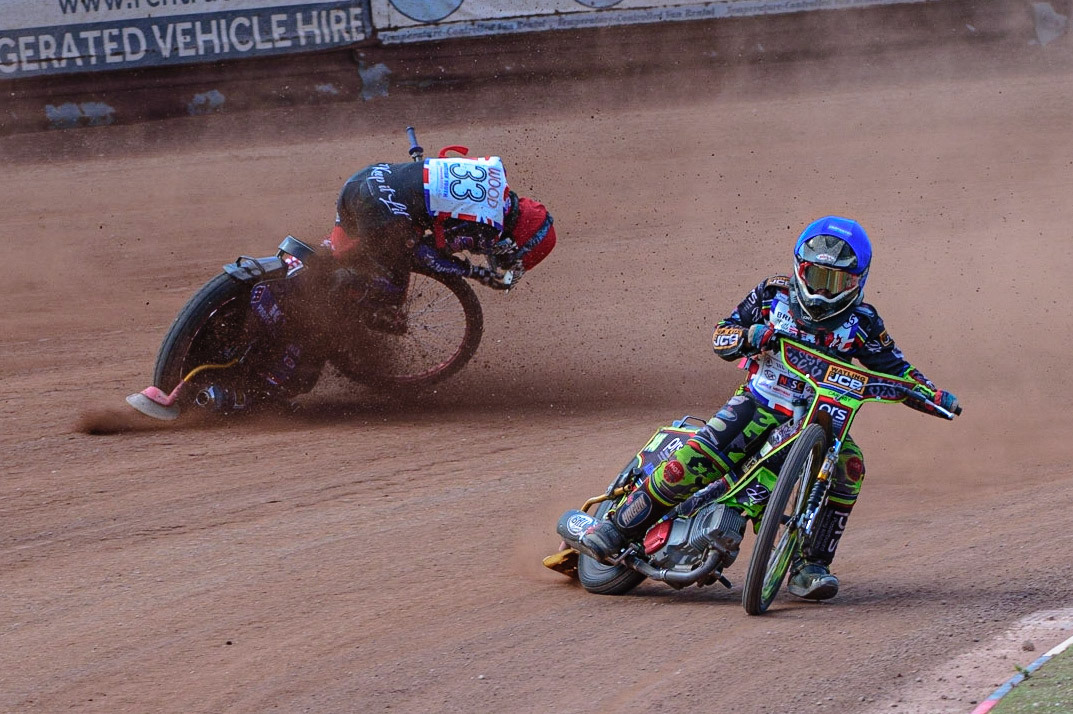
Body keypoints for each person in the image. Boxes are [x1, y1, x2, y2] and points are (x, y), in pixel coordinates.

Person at [582, 216, 958, 601]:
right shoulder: (771, 294)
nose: (824, 291)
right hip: (759, 401)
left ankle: (810, 566)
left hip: (820, 417)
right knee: (696, 460)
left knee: (851, 467)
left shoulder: (863, 323)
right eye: (816, 277)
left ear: (858, 281)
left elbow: (896, 368)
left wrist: (934, 393)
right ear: (799, 268)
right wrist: (747, 336)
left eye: (837, 282)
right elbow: (722, 331)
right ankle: (617, 528)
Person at [324, 151, 556, 333]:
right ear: (517, 244)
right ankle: (341, 294)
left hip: (365, 180)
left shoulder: (494, 173)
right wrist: (475, 272)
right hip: (374, 209)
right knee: (396, 284)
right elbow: (427, 256)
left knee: (342, 252)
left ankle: (316, 270)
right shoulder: (485, 227)